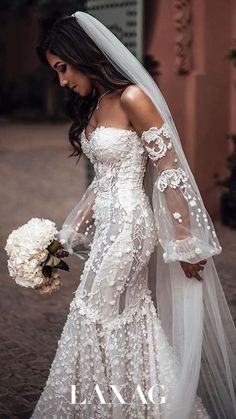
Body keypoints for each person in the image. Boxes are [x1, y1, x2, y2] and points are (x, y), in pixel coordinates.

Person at [31, 11, 236, 419]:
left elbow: (171, 169)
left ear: (80, 54)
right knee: (116, 315)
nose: (62, 81)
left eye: (62, 68)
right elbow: (101, 182)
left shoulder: (132, 98)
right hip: (109, 224)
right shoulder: (97, 104)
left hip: (129, 229)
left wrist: (184, 240)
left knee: (98, 312)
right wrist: (66, 236)